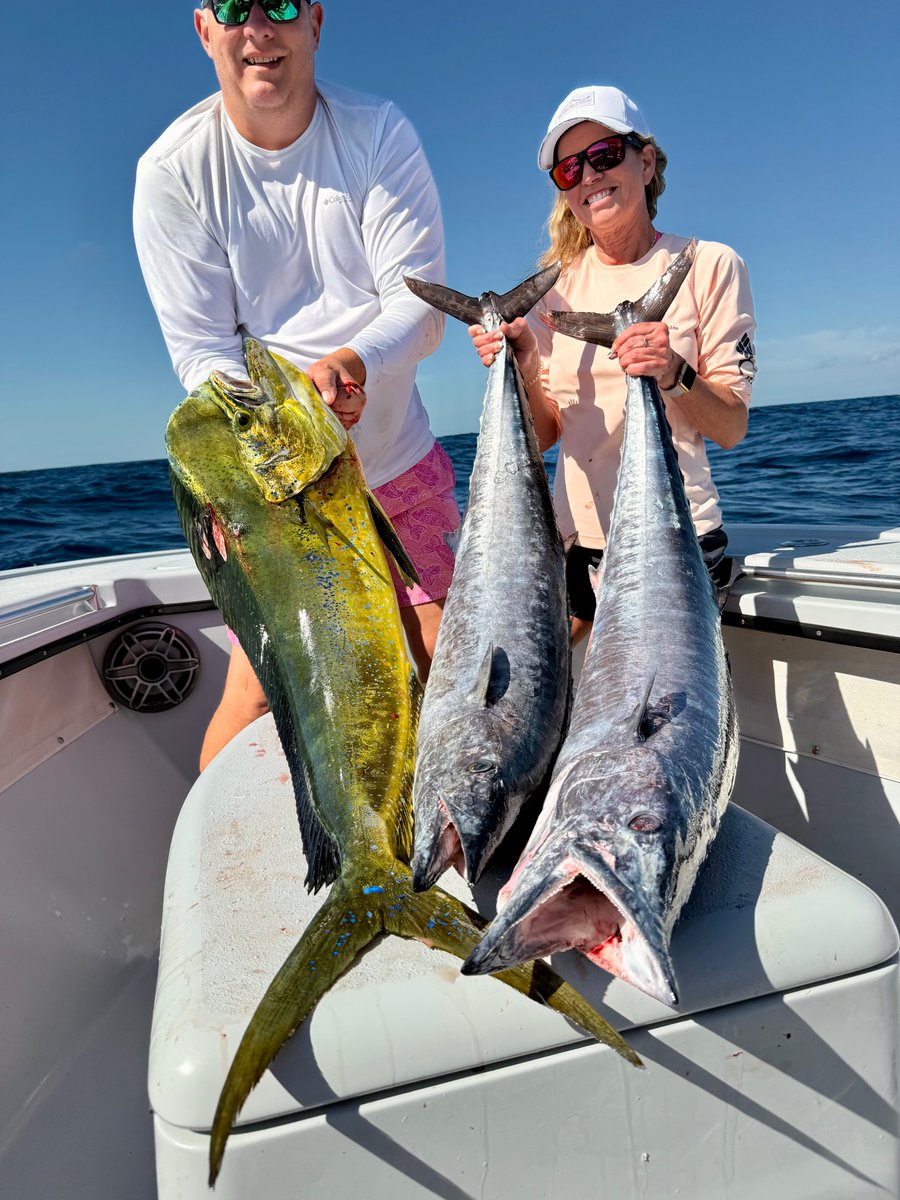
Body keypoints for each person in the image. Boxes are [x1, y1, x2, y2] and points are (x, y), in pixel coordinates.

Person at [133, 0, 458, 769]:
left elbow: (420, 306)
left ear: (315, 19)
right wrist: (285, 432)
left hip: (395, 462)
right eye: (234, 8)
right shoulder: (171, 171)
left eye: (280, 4)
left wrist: (355, 365)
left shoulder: (378, 132)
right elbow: (203, 351)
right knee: (255, 693)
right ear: (204, 28)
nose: (259, 29)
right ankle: (216, 880)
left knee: (451, 666)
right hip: (276, 488)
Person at [471, 85, 757, 644]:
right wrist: (523, 366)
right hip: (575, 545)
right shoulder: (555, 287)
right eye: (568, 170)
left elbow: (732, 426)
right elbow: (550, 431)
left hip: (673, 542)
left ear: (645, 161)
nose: (588, 177)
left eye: (603, 157)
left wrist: (673, 370)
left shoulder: (710, 265)